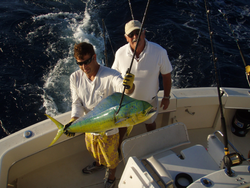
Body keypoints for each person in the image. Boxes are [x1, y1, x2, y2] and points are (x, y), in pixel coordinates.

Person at [67, 42, 135, 188]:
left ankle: (111, 178)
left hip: (109, 130)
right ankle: (98, 164)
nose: (84, 67)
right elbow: (76, 102)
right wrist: (74, 120)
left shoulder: (110, 75)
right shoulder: (75, 77)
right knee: (94, 151)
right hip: (89, 127)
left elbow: (124, 88)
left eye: (87, 61)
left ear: (94, 57)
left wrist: (129, 85)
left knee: (111, 158)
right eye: (80, 63)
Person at [112, 20, 172, 146]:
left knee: (150, 123)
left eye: (138, 32)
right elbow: (114, 77)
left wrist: (166, 97)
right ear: (126, 38)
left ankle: (152, 144)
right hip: (127, 102)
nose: (135, 36)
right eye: (131, 34)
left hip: (148, 101)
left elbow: (166, 75)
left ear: (144, 33)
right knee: (122, 126)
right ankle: (117, 147)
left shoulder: (159, 52)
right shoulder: (120, 53)